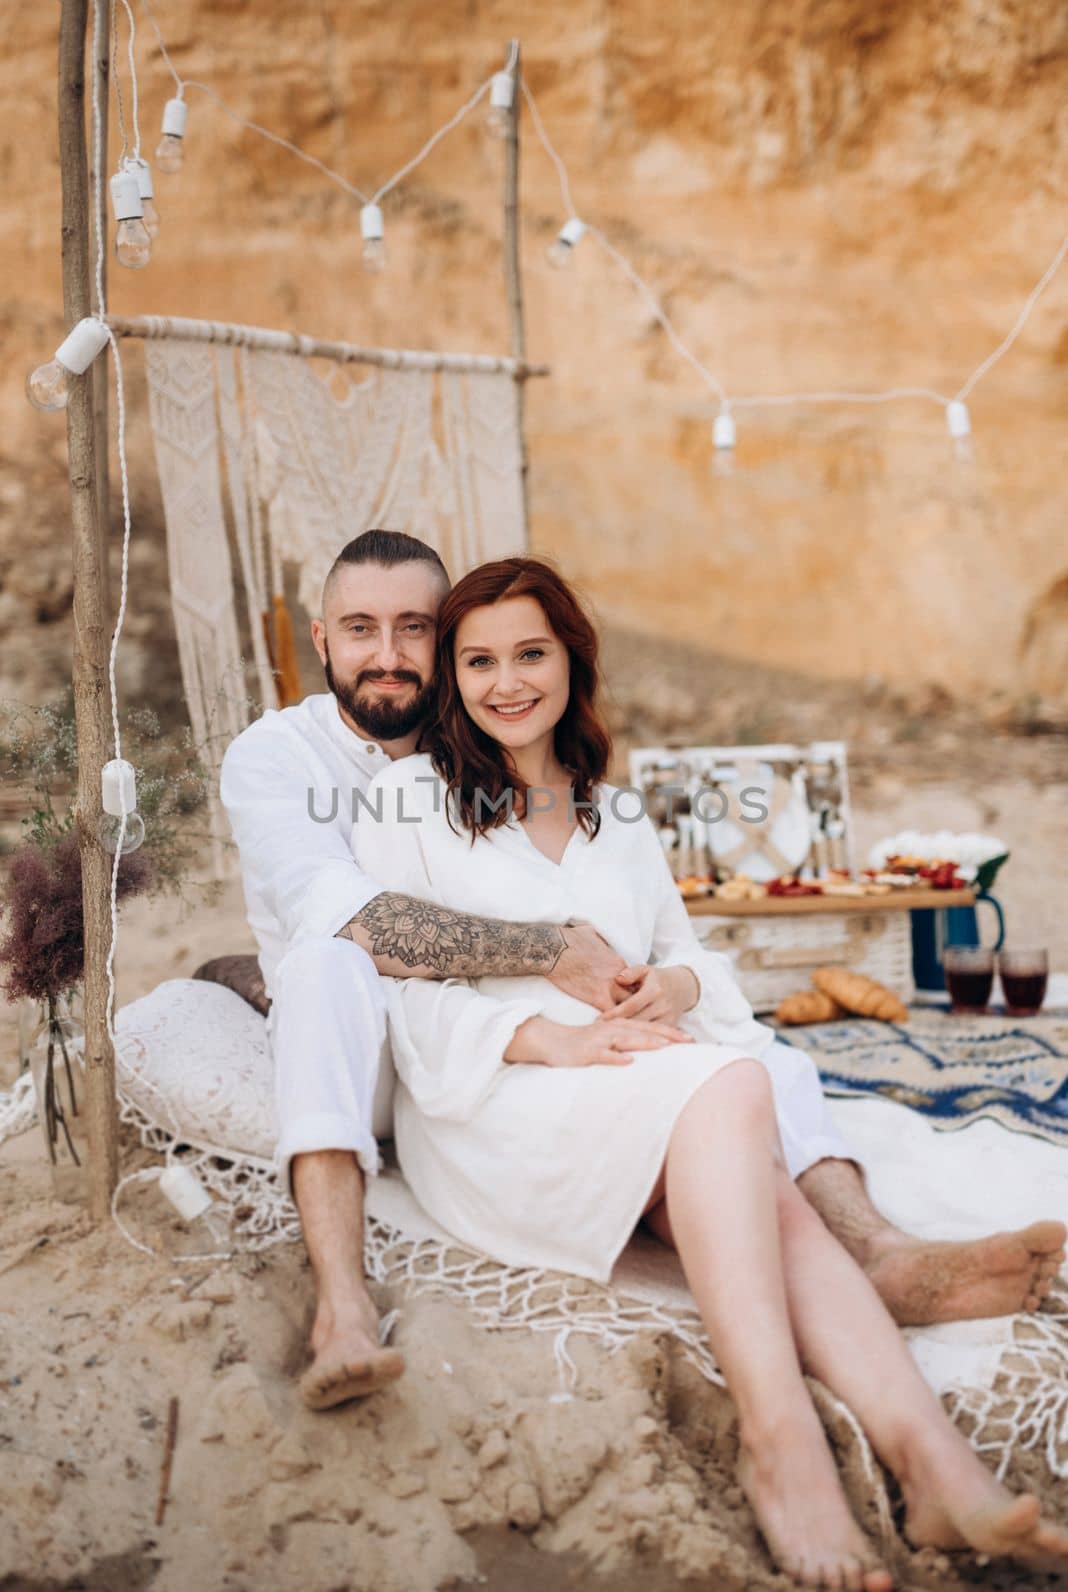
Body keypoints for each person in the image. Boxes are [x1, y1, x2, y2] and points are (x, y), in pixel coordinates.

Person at [220, 530, 1063, 1413]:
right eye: (360, 629)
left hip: (518, 1037)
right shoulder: (281, 758)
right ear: (321, 641)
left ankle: (877, 1250)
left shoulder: (500, 746)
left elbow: (661, 929)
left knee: (741, 1056)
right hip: (371, 1051)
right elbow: (349, 920)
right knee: (325, 963)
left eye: (414, 630)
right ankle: (342, 1307)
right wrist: (552, 954)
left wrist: (671, 990)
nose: (388, 656)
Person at [354, 556, 1068, 1592]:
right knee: (735, 1091)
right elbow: (392, 969)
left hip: (641, 1086)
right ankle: (780, 1439)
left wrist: (677, 991)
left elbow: (693, 954)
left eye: (530, 653)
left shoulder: (616, 814)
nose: (507, 681)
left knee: (752, 1151)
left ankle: (932, 1464)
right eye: (479, 660)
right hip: (500, 1105)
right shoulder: (410, 800)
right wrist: (549, 1040)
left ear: (570, 660)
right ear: (451, 678)